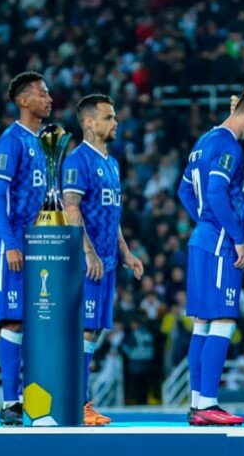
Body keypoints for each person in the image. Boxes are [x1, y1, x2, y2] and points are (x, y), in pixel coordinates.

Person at [176, 92, 244, 426]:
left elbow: (184, 190)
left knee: (203, 322)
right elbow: (215, 193)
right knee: (224, 320)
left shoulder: (204, 141)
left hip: (202, 239)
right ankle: (209, 402)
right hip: (219, 244)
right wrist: (237, 238)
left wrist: (202, 220)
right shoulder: (228, 146)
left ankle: (199, 403)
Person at [62, 94, 144, 425]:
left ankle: (79, 401)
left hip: (108, 260)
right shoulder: (77, 161)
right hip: (89, 263)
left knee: (93, 332)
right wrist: (88, 251)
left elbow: (113, 213)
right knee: (84, 331)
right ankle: (78, 404)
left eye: (115, 117)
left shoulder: (111, 162)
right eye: (109, 118)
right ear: (89, 123)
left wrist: (126, 253)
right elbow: (71, 207)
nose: (115, 123)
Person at [0, 71, 51, 425]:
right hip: (10, 247)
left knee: (36, 322)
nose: (49, 99)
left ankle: (35, 400)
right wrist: (10, 243)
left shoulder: (44, 141)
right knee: (13, 321)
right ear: (23, 101)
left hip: (38, 245)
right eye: (42, 94)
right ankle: (11, 403)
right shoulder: (11, 140)